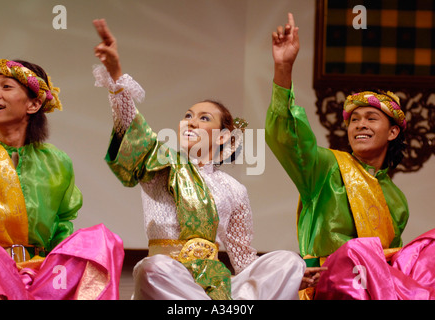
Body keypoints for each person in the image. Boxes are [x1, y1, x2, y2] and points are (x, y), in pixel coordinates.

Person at [92, 18, 324, 300]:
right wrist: (115, 73)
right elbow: (130, 125)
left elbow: (245, 261)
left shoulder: (234, 190)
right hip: (168, 283)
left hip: (215, 287)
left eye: (204, 118)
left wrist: (289, 278)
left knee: (288, 262)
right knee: (152, 268)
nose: (190, 122)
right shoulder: (159, 164)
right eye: (187, 116)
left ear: (224, 136)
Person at [266, 13, 435, 300]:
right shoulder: (326, 168)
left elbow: (393, 260)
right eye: (354, 119)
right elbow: (287, 137)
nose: (360, 124)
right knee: (355, 252)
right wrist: (284, 67)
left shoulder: (396, 200)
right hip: (328, 286)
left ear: (392, 133)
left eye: (371, 118)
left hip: (374, 288)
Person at [0, 59, 124, 300]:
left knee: (102, 240)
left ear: (34, 103)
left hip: (41, 274)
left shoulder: (57, 162)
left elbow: (63, 226)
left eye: (6, 87)